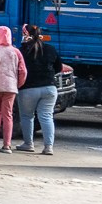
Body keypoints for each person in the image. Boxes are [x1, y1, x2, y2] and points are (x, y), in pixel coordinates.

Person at [19, 23, 63, 156]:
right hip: (50, 88)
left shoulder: (22, 50)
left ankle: (28, 144)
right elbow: (59, 68)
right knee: (46, 117)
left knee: (27, 116)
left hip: (28, 89)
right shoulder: (50, 49)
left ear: (25, 34)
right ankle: (48, 147)